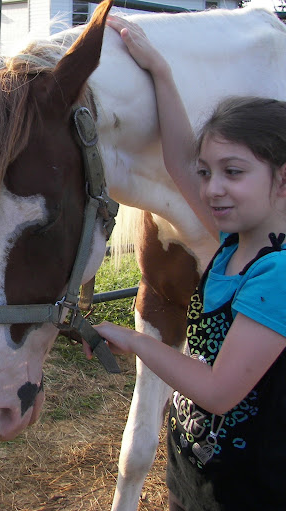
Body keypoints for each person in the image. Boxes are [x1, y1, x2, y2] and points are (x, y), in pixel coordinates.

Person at [86, 16, 286, 511]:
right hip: (195, 470)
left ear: (282, 181)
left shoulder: (277, 276)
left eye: (233, 172)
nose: (212, 187)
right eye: (208, 172)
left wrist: (133, 340)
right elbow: (178, 161)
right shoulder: (231, 238)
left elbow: (218, 392)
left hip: (247, 489)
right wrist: (160, 71)